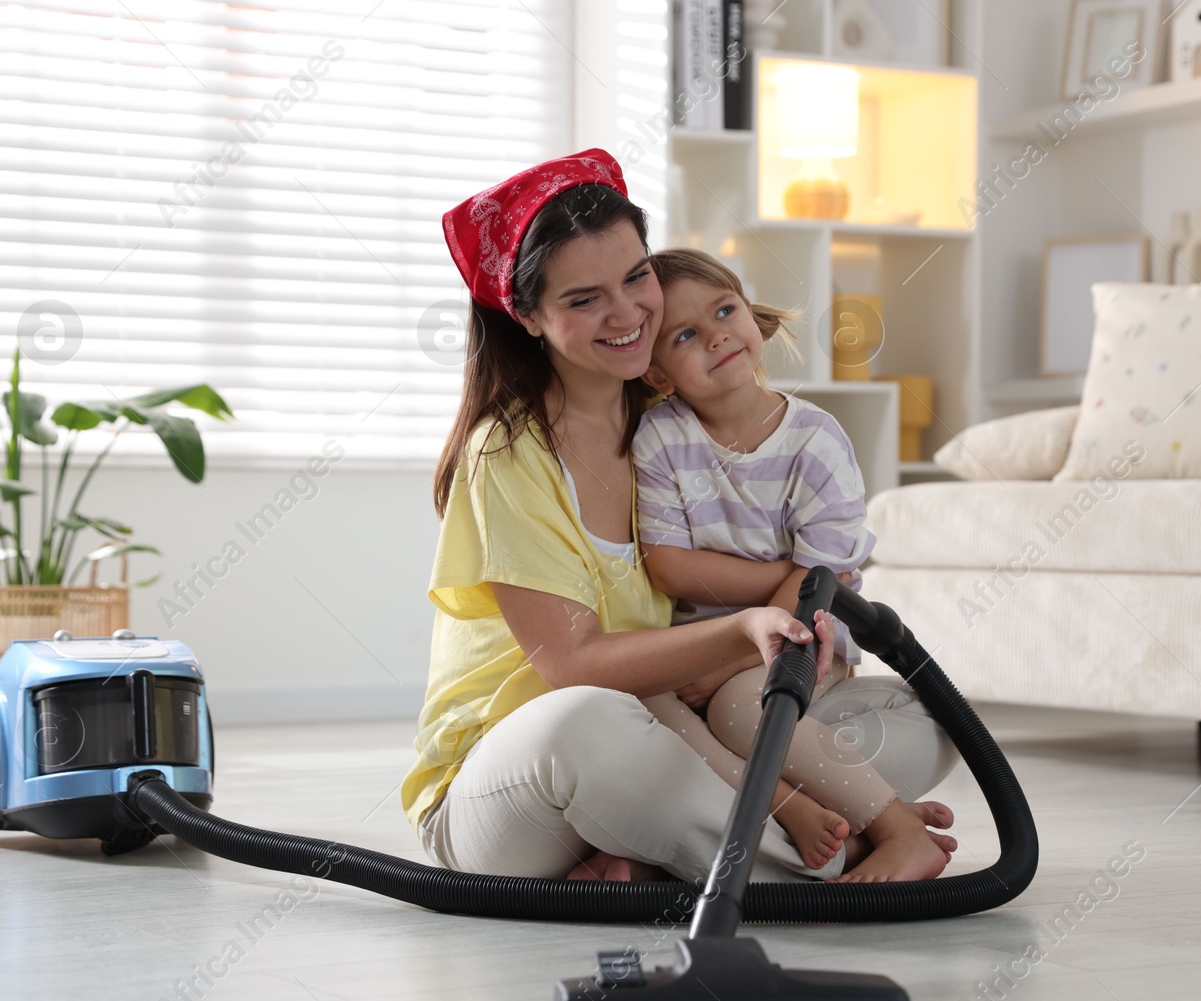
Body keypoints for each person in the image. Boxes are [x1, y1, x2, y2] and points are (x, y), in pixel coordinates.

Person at [402, 147, 958, 885]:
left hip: (682, 731)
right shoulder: (506, 453)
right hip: (521, 773)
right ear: (529, 317)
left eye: (636, 277)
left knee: (921, 719)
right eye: (583, 298)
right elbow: (570, 666)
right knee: (591, 723)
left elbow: (804, 537)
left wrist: (778, 609)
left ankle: (651, 851)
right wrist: (741, 628)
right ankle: (840, 848)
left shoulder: (675, 422)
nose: (628, 312)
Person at [632, 248, 958, 882]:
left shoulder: (816, 441)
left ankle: (896, 829)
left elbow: (817, 585)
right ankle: (795, 808)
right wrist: (714, 650)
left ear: (753, 321)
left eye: (726, 311)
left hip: (810, 634)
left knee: (734, 707)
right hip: (704, 645)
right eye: (686, 335)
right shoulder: (662, 439)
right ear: (658, 375)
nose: (717, 335)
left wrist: (724, 662)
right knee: (637, 699)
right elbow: (669, 567)